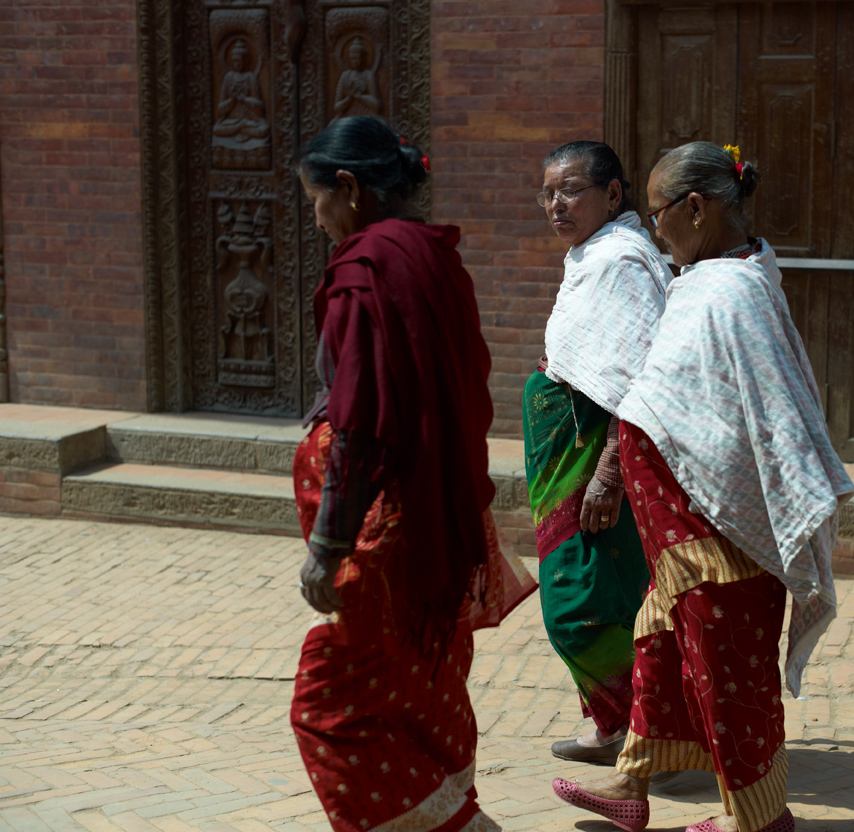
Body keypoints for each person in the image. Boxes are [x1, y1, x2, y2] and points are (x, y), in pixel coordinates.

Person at [551, 141, 854, 832]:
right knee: (657, 650)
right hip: (682, 540)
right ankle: (631, 786)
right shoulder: (706, 278)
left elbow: (761, 419)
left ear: (696, 207)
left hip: (722, 536)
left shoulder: (733, 293)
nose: (654, 231)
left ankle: (759, 820)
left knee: (728, 679)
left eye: (658, 215)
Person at [289, 116, 536, 832]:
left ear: (349, 187)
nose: (318, 220)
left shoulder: (366, 268)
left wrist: (329, 546)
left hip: (387, 531)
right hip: (431, 522)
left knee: (331, 707)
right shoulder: (430, 256)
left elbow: (362, 422)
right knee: (416, 689)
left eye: (317, 202)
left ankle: (456, 826)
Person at [523, 141, 672, 764]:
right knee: (608, 598)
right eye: (548, 193)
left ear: (614, 194)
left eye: (571, 190)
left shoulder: (622, 262)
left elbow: (636, 375)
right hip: (568, 463)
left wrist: (610, 470)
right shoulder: (594, 254)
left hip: (595, 468)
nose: (556, 204)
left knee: (578, 606)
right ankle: (616, 729)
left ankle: (650, 732)